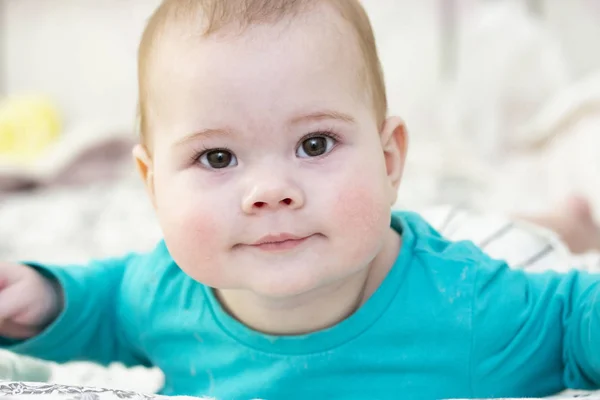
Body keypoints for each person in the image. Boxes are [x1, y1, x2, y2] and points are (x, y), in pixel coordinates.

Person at [1, 1, 600, 399]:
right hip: (359, 225)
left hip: (434, 247)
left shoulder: (468, 302)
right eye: (217, 157)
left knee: (504, 231)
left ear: (389, 159)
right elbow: (108, 308)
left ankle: (565, 222)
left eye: (315, 143)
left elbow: (573, 319)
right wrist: (47, 299)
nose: (270, 191)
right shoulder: (164, 291)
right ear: (152, 183)